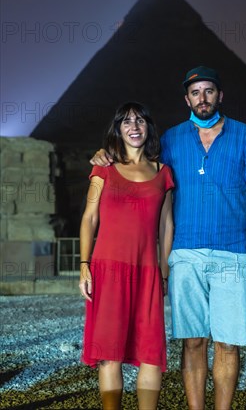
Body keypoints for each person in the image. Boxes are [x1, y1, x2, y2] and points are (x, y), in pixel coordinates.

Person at [91, 67, 246, 410]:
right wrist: (105, 154)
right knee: (192, 341)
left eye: (208, 91)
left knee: (228, 343)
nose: (202, 98)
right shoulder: (172, 140)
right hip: (185, 253)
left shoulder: (244, 135)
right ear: (186, 99)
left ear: (220, 96)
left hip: (233, 253)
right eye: (195, 92)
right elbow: (138, 165)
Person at [79, 102, 174, 410]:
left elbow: (165, 225)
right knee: (109, 352)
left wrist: (163, 272)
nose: (134, 127)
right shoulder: (103, 169)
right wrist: (84, 266)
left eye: (140, 121)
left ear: (149, 128)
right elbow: (89, 218)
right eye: (127, 122)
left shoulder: (163, 173)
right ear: (118, 130)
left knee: (150, 351)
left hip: (147, 272)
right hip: (107, 270)